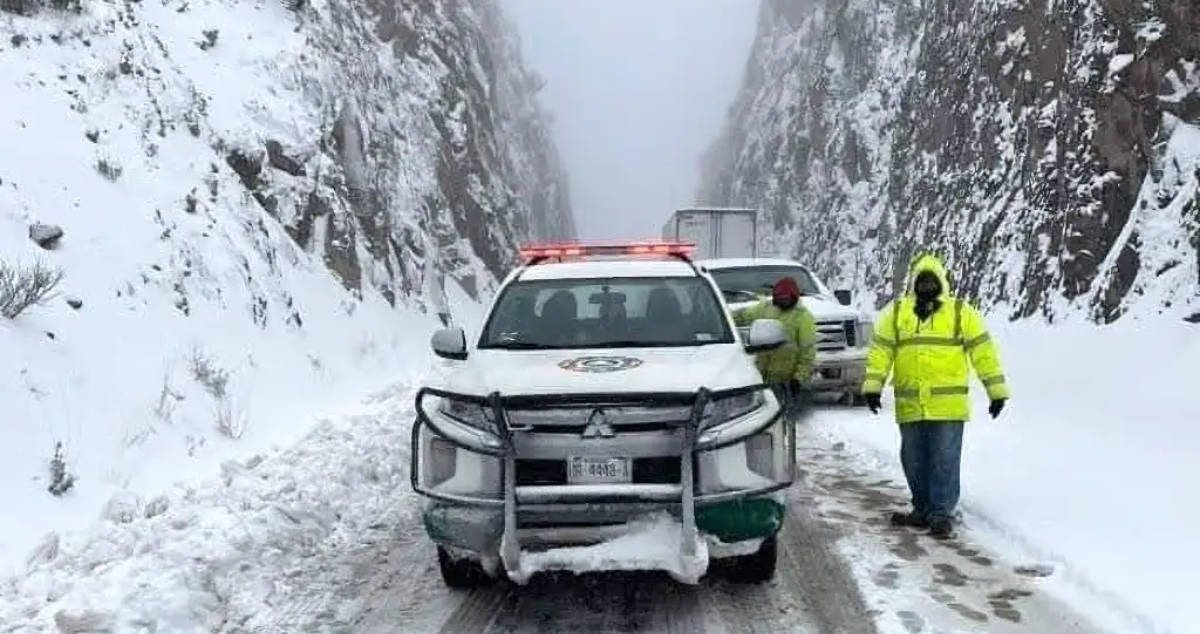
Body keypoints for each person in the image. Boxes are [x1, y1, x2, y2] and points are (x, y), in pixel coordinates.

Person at [861, 253, 1010, 539]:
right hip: (910, 404)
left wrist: (996, 391)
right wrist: (872, 386)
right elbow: (881, 351)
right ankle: (922, 508)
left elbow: (983, 352)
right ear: (914, 283)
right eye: (922, 280)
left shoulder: (960, 312)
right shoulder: (897, 312)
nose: (926, 285)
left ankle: (941, 513)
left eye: (932, 281)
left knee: (944, 459)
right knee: (913, 459)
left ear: (941, 282)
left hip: (947, 405)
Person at [733, 277, 817, 417]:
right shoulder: (765, 308)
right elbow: (742, 315)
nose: (782, 301)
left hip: (786, 382)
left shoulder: (803, 317)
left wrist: (799, 379)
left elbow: (808, 352)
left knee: (782, 419)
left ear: (794, 297)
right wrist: (722, 317)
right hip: (760, 378)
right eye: (779, 298)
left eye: (785, 298)